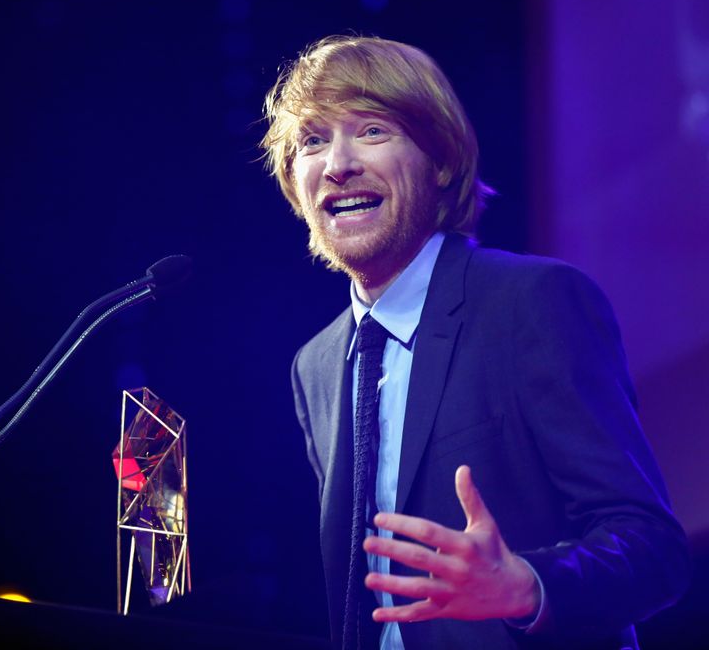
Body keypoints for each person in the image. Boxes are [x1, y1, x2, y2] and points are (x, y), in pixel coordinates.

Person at [260, 35, 691, 650]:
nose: (338, 163)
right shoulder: (318, 365)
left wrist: (530, 587)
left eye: (373, 130)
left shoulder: (531, 303)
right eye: (312, 140)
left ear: (439, 161)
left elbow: (652, 548)